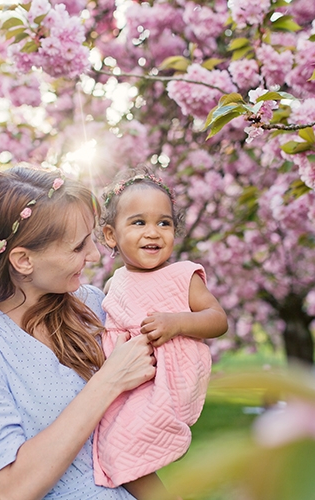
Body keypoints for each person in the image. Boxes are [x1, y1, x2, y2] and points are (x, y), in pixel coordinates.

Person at [0, 167, 162, 500]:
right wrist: (109, 381)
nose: (95, 255)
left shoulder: (92, 304)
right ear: (23, 260)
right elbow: (10, 489)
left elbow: (120, 435)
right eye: (79, 246)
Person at [92, 171, 228, 490]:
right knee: (110, 442)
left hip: (167, 377)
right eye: (139, 222)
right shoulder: (115, 284)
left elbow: (217, 319)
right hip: (127, 380)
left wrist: (177, 322)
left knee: (119, 450)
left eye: (164, 223)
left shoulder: (184, 276)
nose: (153, 233)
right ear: (111, 235)